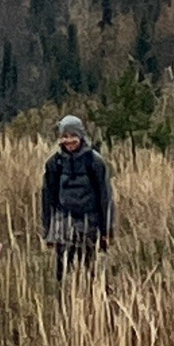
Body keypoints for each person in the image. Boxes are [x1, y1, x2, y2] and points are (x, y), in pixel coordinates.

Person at [40, 112, 114, 289]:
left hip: (90, 222)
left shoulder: (95, 162)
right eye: (64, 136)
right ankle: (64, 303)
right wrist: (48, 230)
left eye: (73, 135)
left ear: (81, 136)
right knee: (63, 272)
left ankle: (92, 304)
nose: (69, 140)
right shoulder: (54, 163)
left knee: (91, 271)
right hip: (63, 224)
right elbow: (47, 198)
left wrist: (106, 231)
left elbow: (106, 197)